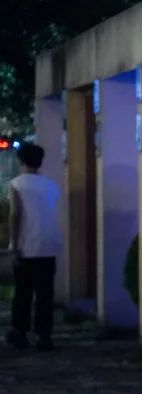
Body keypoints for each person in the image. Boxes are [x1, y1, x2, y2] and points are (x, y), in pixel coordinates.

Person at [7, 143, 61, 351]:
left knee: (23, 292)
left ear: (21, 161)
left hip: (27, 245)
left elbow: (15, 214)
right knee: (45, 293)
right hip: (49, 244)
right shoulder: (51, 185)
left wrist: (14, 245)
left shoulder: (17, 184)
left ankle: (19, 332)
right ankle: (44, 335)